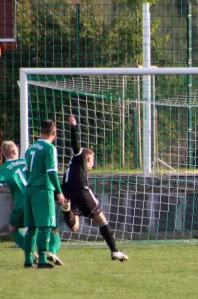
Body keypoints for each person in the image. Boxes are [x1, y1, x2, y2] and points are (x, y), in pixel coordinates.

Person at [61, 114, 128, 262]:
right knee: (101, 219)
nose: (92, 164)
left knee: (74, 226)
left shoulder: (70, 167)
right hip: (81, 190)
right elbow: (75, 146)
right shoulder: (80, 158)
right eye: (92, 161)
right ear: (88, 158)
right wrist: (73, 128)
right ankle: (114, 251)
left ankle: (67, 212)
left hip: (66, 192)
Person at [24, 120, 66, 269]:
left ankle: (28, 259)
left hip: (29, 189)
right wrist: (59, 191)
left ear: (40, 131)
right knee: (45, 226)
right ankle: (42, 260)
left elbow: (26, 170)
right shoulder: (49, 148)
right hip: (43, 190)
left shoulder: (30, 148)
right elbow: (52, 172)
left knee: (31, 227)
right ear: (54, 133)